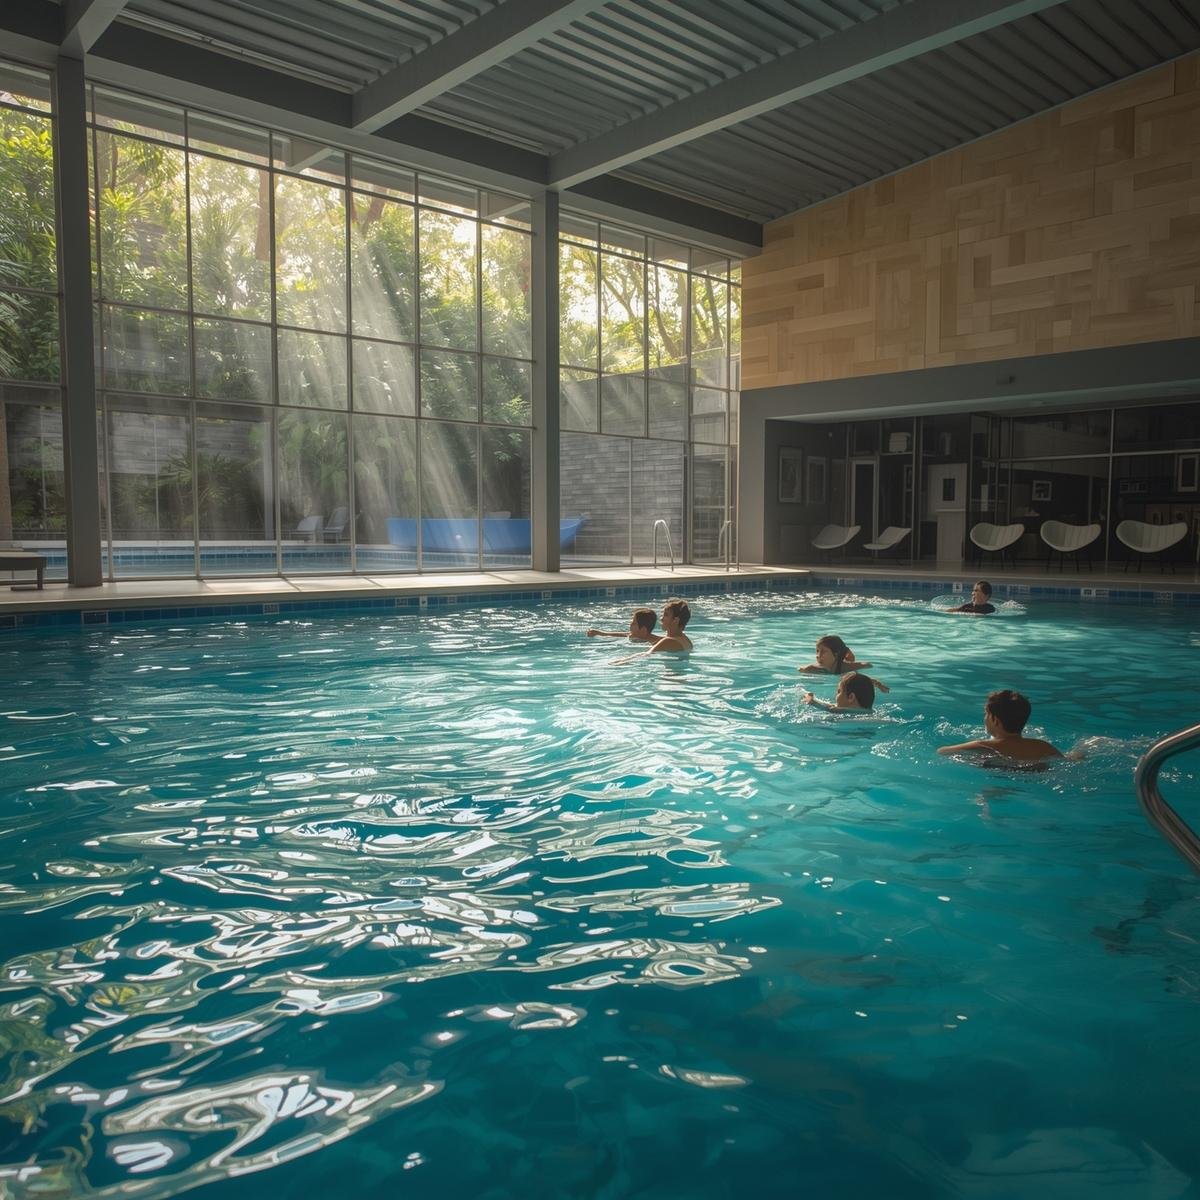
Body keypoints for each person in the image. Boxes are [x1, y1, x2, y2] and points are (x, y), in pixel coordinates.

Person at [938, 689, 1063, 763]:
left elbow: (942, 751)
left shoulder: (983, 745)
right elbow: (1065, 760)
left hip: (1002, 774)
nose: (985, 718)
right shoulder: (1043, 746)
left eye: (986, 714)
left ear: (995, 720)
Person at [802, 671, 876, 712]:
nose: (836, 695)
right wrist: (815, 699)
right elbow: (831, 706)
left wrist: (812, 702)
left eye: (839, 692)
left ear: (851, 697)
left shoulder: (850, 712)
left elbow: (831, 709)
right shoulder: (868, 711)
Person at [798, 634, 872, 675]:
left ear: (836, 654)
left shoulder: (847, 668)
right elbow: (800, 669)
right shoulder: (812, 669)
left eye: (823, 651)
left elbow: (867, 665)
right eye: (817, 651)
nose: (818, 655)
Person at [587, 608, 659, 643]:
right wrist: (599, 633)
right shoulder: (633, 635)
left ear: (643, 629)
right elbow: (620, 634)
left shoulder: (655, 641)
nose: (630, 624)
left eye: (633, 623)